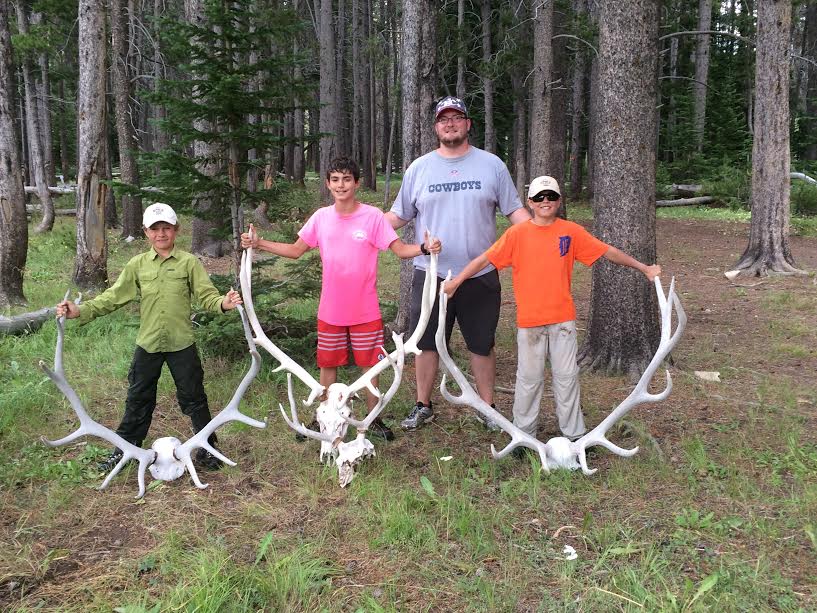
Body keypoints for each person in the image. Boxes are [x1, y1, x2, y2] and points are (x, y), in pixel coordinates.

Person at [443, 176, 662, 444]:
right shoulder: (516, 234)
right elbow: (484, 259)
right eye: (539, 197)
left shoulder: (571, 232)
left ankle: (574, 436)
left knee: (567, 378)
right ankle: (523, 436)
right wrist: (457, 281)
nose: (545, 201)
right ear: (530, 203)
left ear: (559, 201)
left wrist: (643, 268)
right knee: (528, 380)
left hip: (562, 322)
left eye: (551, 196)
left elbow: (607, 251)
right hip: (530, 322)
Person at [240, 157, 441, 440]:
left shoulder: (373, 217)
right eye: (335, 180)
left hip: (365, 310)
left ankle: (372, 420)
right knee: (328, 365)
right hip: (331, 311)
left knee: (371, 367)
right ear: (328, 184)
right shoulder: (321, 218)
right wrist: (259, 243)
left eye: (347, 179)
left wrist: (424, 247)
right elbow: (296, 250)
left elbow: (399, 250)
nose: (341, 185)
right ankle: (325, 418)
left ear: (357, 183)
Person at [56, 203, 244, 471]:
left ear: (176, 230)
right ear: (146, 232)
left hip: (182, 344)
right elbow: (113, 297)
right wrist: (81, 310)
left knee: (194, 398)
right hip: (148, 344)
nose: (161, 233)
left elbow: (207, 296)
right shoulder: (138, 265)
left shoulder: (189, 263)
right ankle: (124, 451)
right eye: (155, 229)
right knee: (138, 399)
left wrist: (224, 303)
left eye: (166, 228)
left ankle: (207, 449)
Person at [385, 96, 531, 431]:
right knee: (425, 343)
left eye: (456, 118)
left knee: (481, 343)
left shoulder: (492, 165)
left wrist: (543, 233)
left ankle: (487, 407)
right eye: (443, 119)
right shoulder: (419, 168)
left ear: (468, 124)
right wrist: (361, 226)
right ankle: (423, 405)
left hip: (479, 273)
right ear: (436, 127)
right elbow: (398, 215)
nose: (449, 124)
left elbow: (514, 211)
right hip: (430, 274)